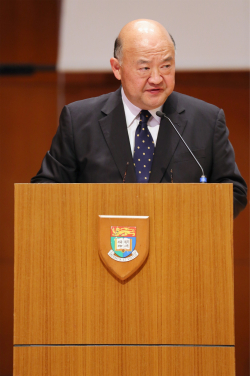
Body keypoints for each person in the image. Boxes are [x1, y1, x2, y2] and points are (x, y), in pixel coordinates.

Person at [31, 19, 247, 218]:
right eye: (144, 68)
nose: (156, 78)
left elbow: (234, 191)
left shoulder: (206, 120)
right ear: (117, 68)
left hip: (181, 249)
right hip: (101, 251)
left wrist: (190, 216)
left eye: (166, 66)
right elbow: (46, 189)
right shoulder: (78, 121)